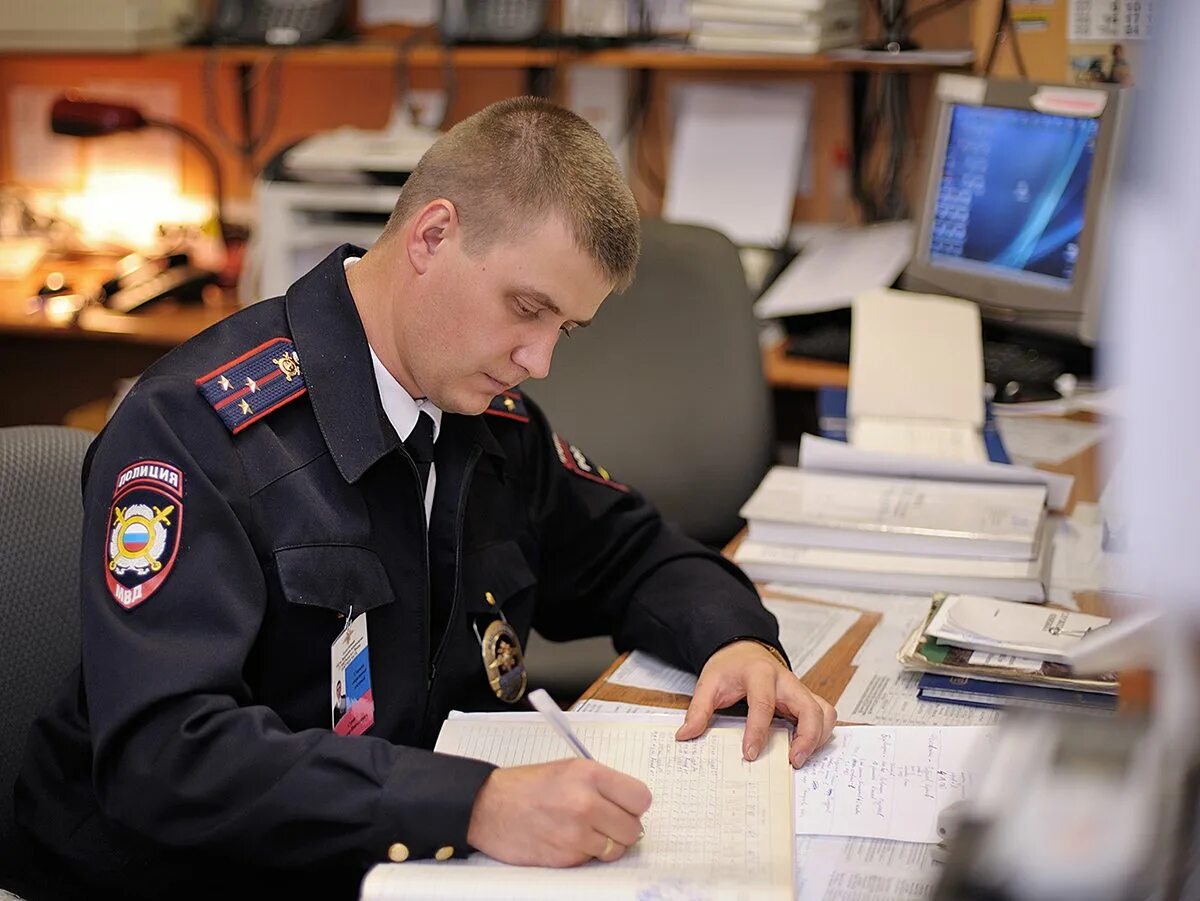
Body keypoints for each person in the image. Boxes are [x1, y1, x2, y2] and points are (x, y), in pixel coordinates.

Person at [13, 97, 836, 900]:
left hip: (401, 863)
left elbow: (632, 550)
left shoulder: (486, 418)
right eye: (527, 308)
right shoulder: (198, 430)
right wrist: (472, 804)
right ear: (433, 235)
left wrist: (737, 642)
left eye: (566, 330)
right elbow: (165, 754)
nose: (539, 359)